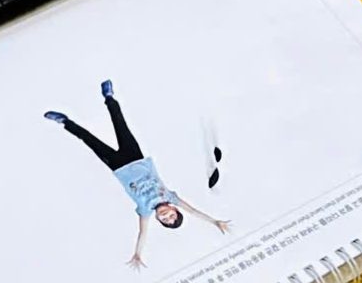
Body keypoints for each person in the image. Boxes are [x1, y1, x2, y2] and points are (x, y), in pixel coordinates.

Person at [44, 79, 231, 269]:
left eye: (165, 221)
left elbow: (142, 234)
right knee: (120, 125)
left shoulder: (145, 210)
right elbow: (193, 211)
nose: (166, 216)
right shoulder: (170, 197)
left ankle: (65, 121)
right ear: (174, 209)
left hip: (118, 167)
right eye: (171, 216)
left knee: (90, 140)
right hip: (136, 158)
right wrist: (214, 222)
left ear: (158, 219)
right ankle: (109, 97)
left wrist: (138, 253)